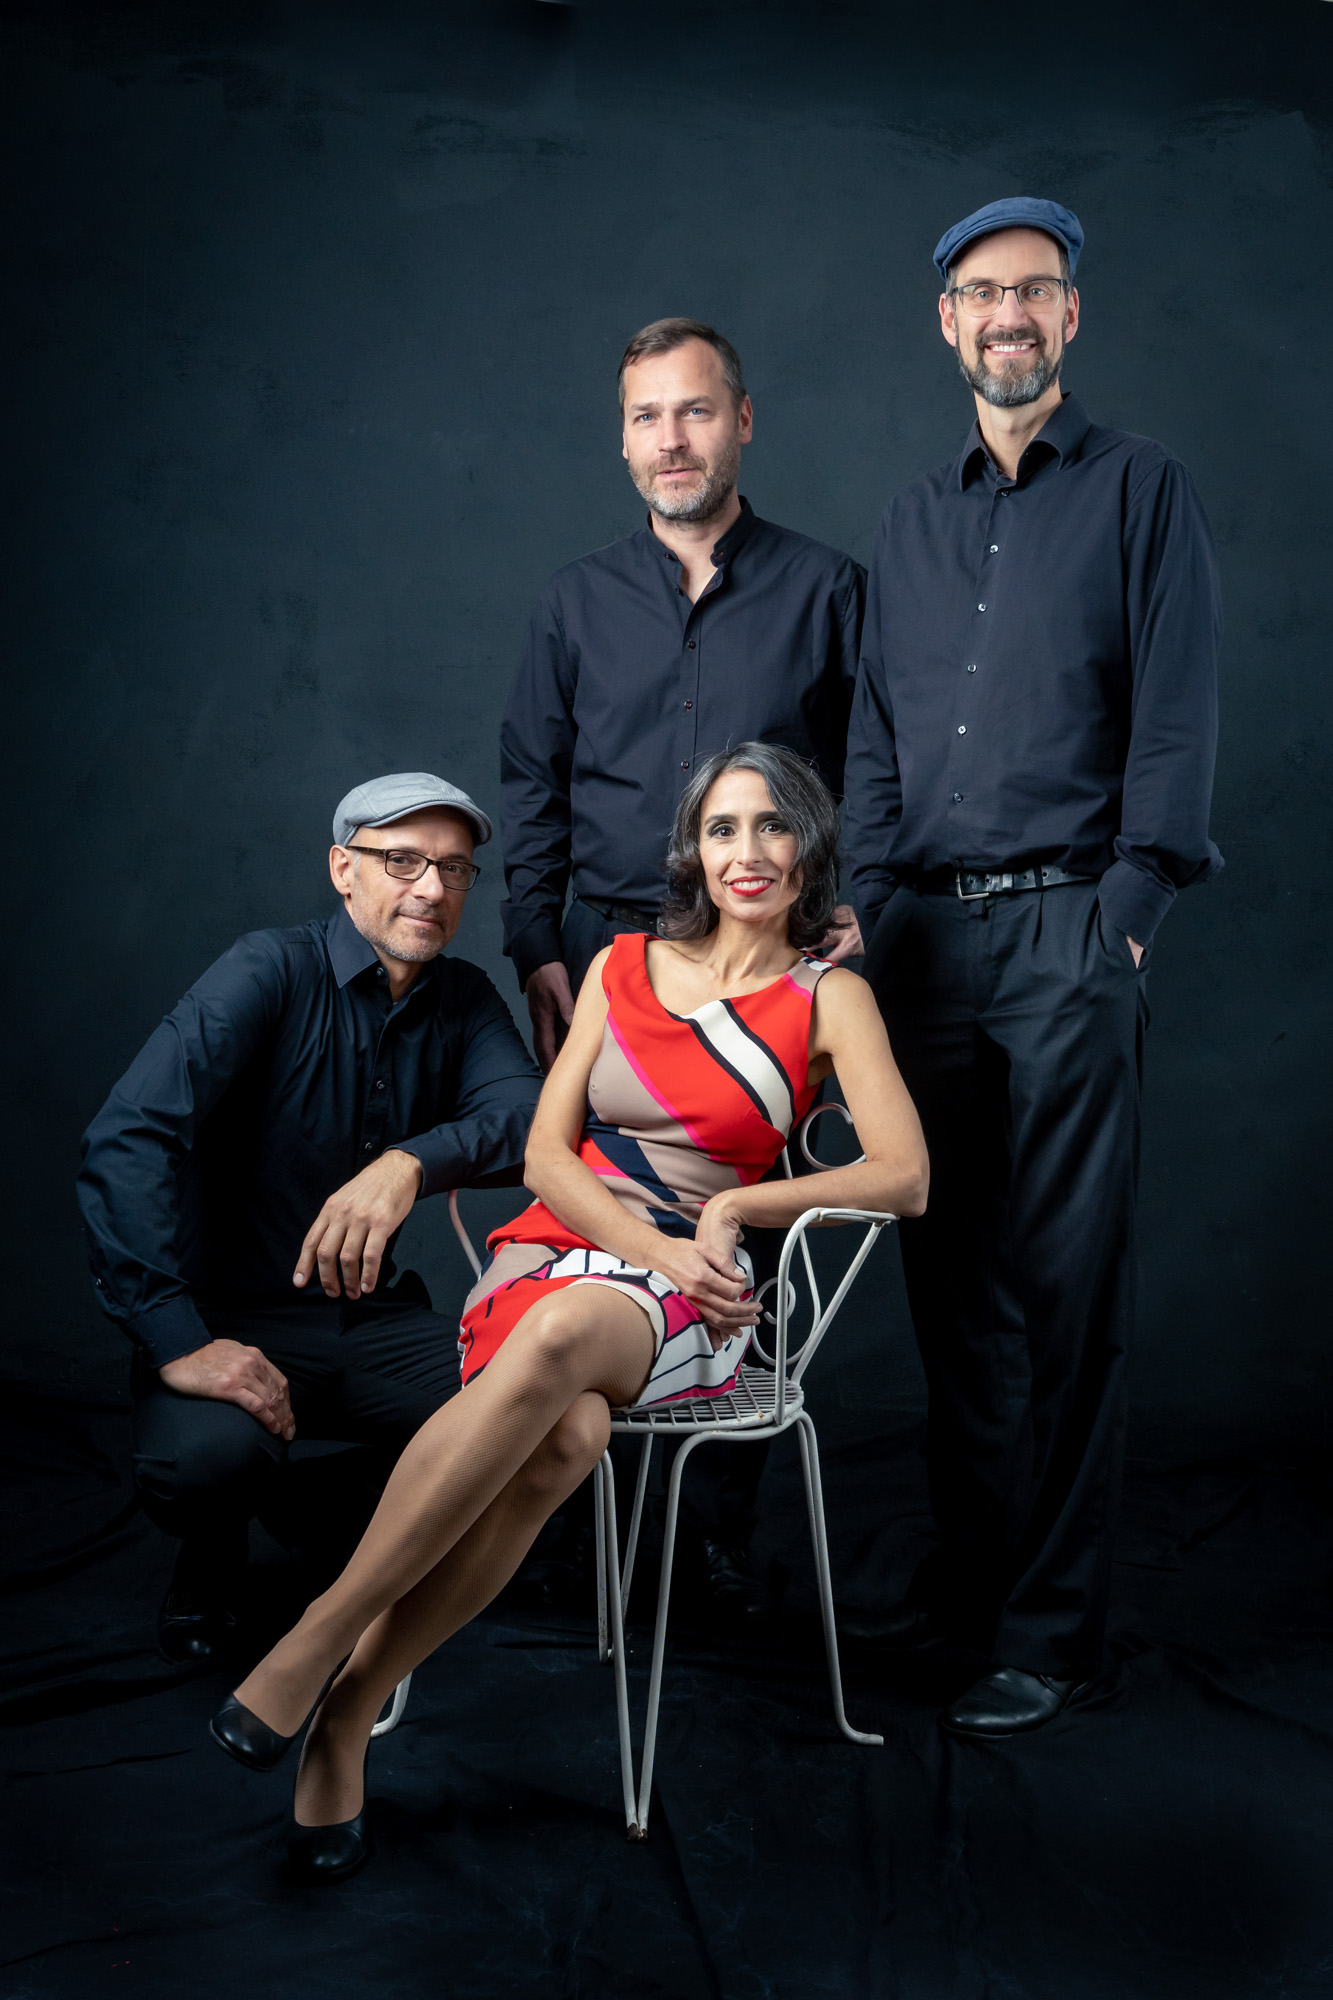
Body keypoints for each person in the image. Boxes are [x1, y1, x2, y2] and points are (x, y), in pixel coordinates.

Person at [208, 743, 928, 1884]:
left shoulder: (828, 996)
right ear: (693, 849)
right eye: (723, 828)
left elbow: (904, 1175)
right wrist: (644, 1242)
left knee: (559, 1342)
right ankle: (343, 1716)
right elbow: (546, 1154)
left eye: (773, 826)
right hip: (558, 1249)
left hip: (691, 1296)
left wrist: (733, 1205)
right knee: (566, 1436)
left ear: (809, 847)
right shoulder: (621, 964)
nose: (747, 852)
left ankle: (316, 1642)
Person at [842, 197, 1222, 1738]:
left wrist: (1129, 903)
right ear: (947, 321)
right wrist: (871, 903)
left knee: (1064, 1291)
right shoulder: (907, 522)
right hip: (924, 945)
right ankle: (974, 1586)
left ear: (1071, 316)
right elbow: (873, 737)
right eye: (983, 293)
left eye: (1036, 290)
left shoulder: (1140, 488)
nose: (1009, 314)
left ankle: (1051, 1634)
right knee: (951, 1293)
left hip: (1071, 932)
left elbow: (1179, 708)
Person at [500, 316, 868, 1608]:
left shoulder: (828, 590)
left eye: (695, 411)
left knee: (736, 1218)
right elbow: (531, 786)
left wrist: (857, 907)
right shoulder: (573, 603)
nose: (672, 439)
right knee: (593, 1211)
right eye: (647, 417)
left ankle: (709, 1532)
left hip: (762, 961)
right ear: (622, 440)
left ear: (742, 422)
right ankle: (572, 1510)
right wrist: (535, 947)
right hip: (606, 959)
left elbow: (873, 772)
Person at [78, 773, 542, 1664]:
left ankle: (309, 1507)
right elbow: (127, 1138)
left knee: (542, 1413)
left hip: (373, 1323)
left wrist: (408, 1162)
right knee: (203, 1465)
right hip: (233, 1319)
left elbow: (526, 1119)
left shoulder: (465, 997)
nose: (431, 888)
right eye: (401, 861)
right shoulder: (268, 969)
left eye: (453, 869)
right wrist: (177, 1338)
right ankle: (214, 1553)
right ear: (342, 869)